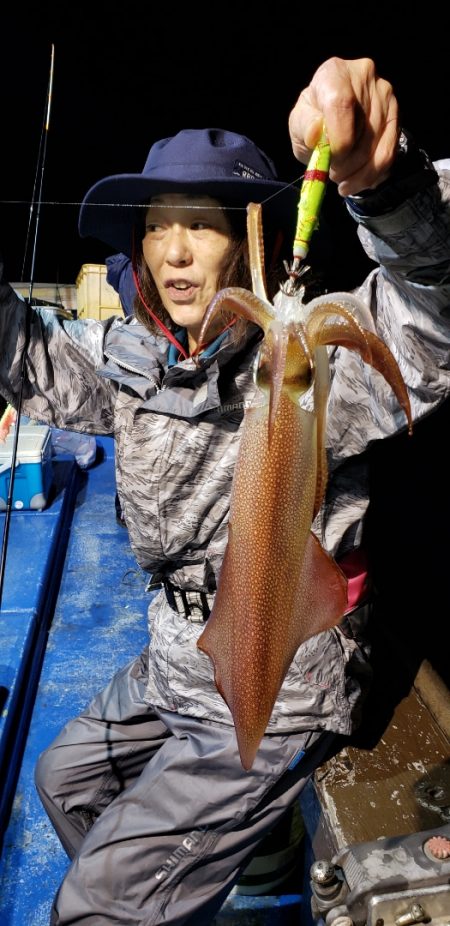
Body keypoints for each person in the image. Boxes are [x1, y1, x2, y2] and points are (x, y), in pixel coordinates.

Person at [0, 56, 449, 925]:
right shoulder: (129, 366)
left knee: (92, 909)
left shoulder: (317, 372)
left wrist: (384, 187)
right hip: (179, 652)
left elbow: (430, 320)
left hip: (283, 682)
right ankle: (179, 886)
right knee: (64, 776)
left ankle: (148, 887)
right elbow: (27, 358)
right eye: (157, 227)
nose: (173, 251)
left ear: (253, 241)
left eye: (200, 227)